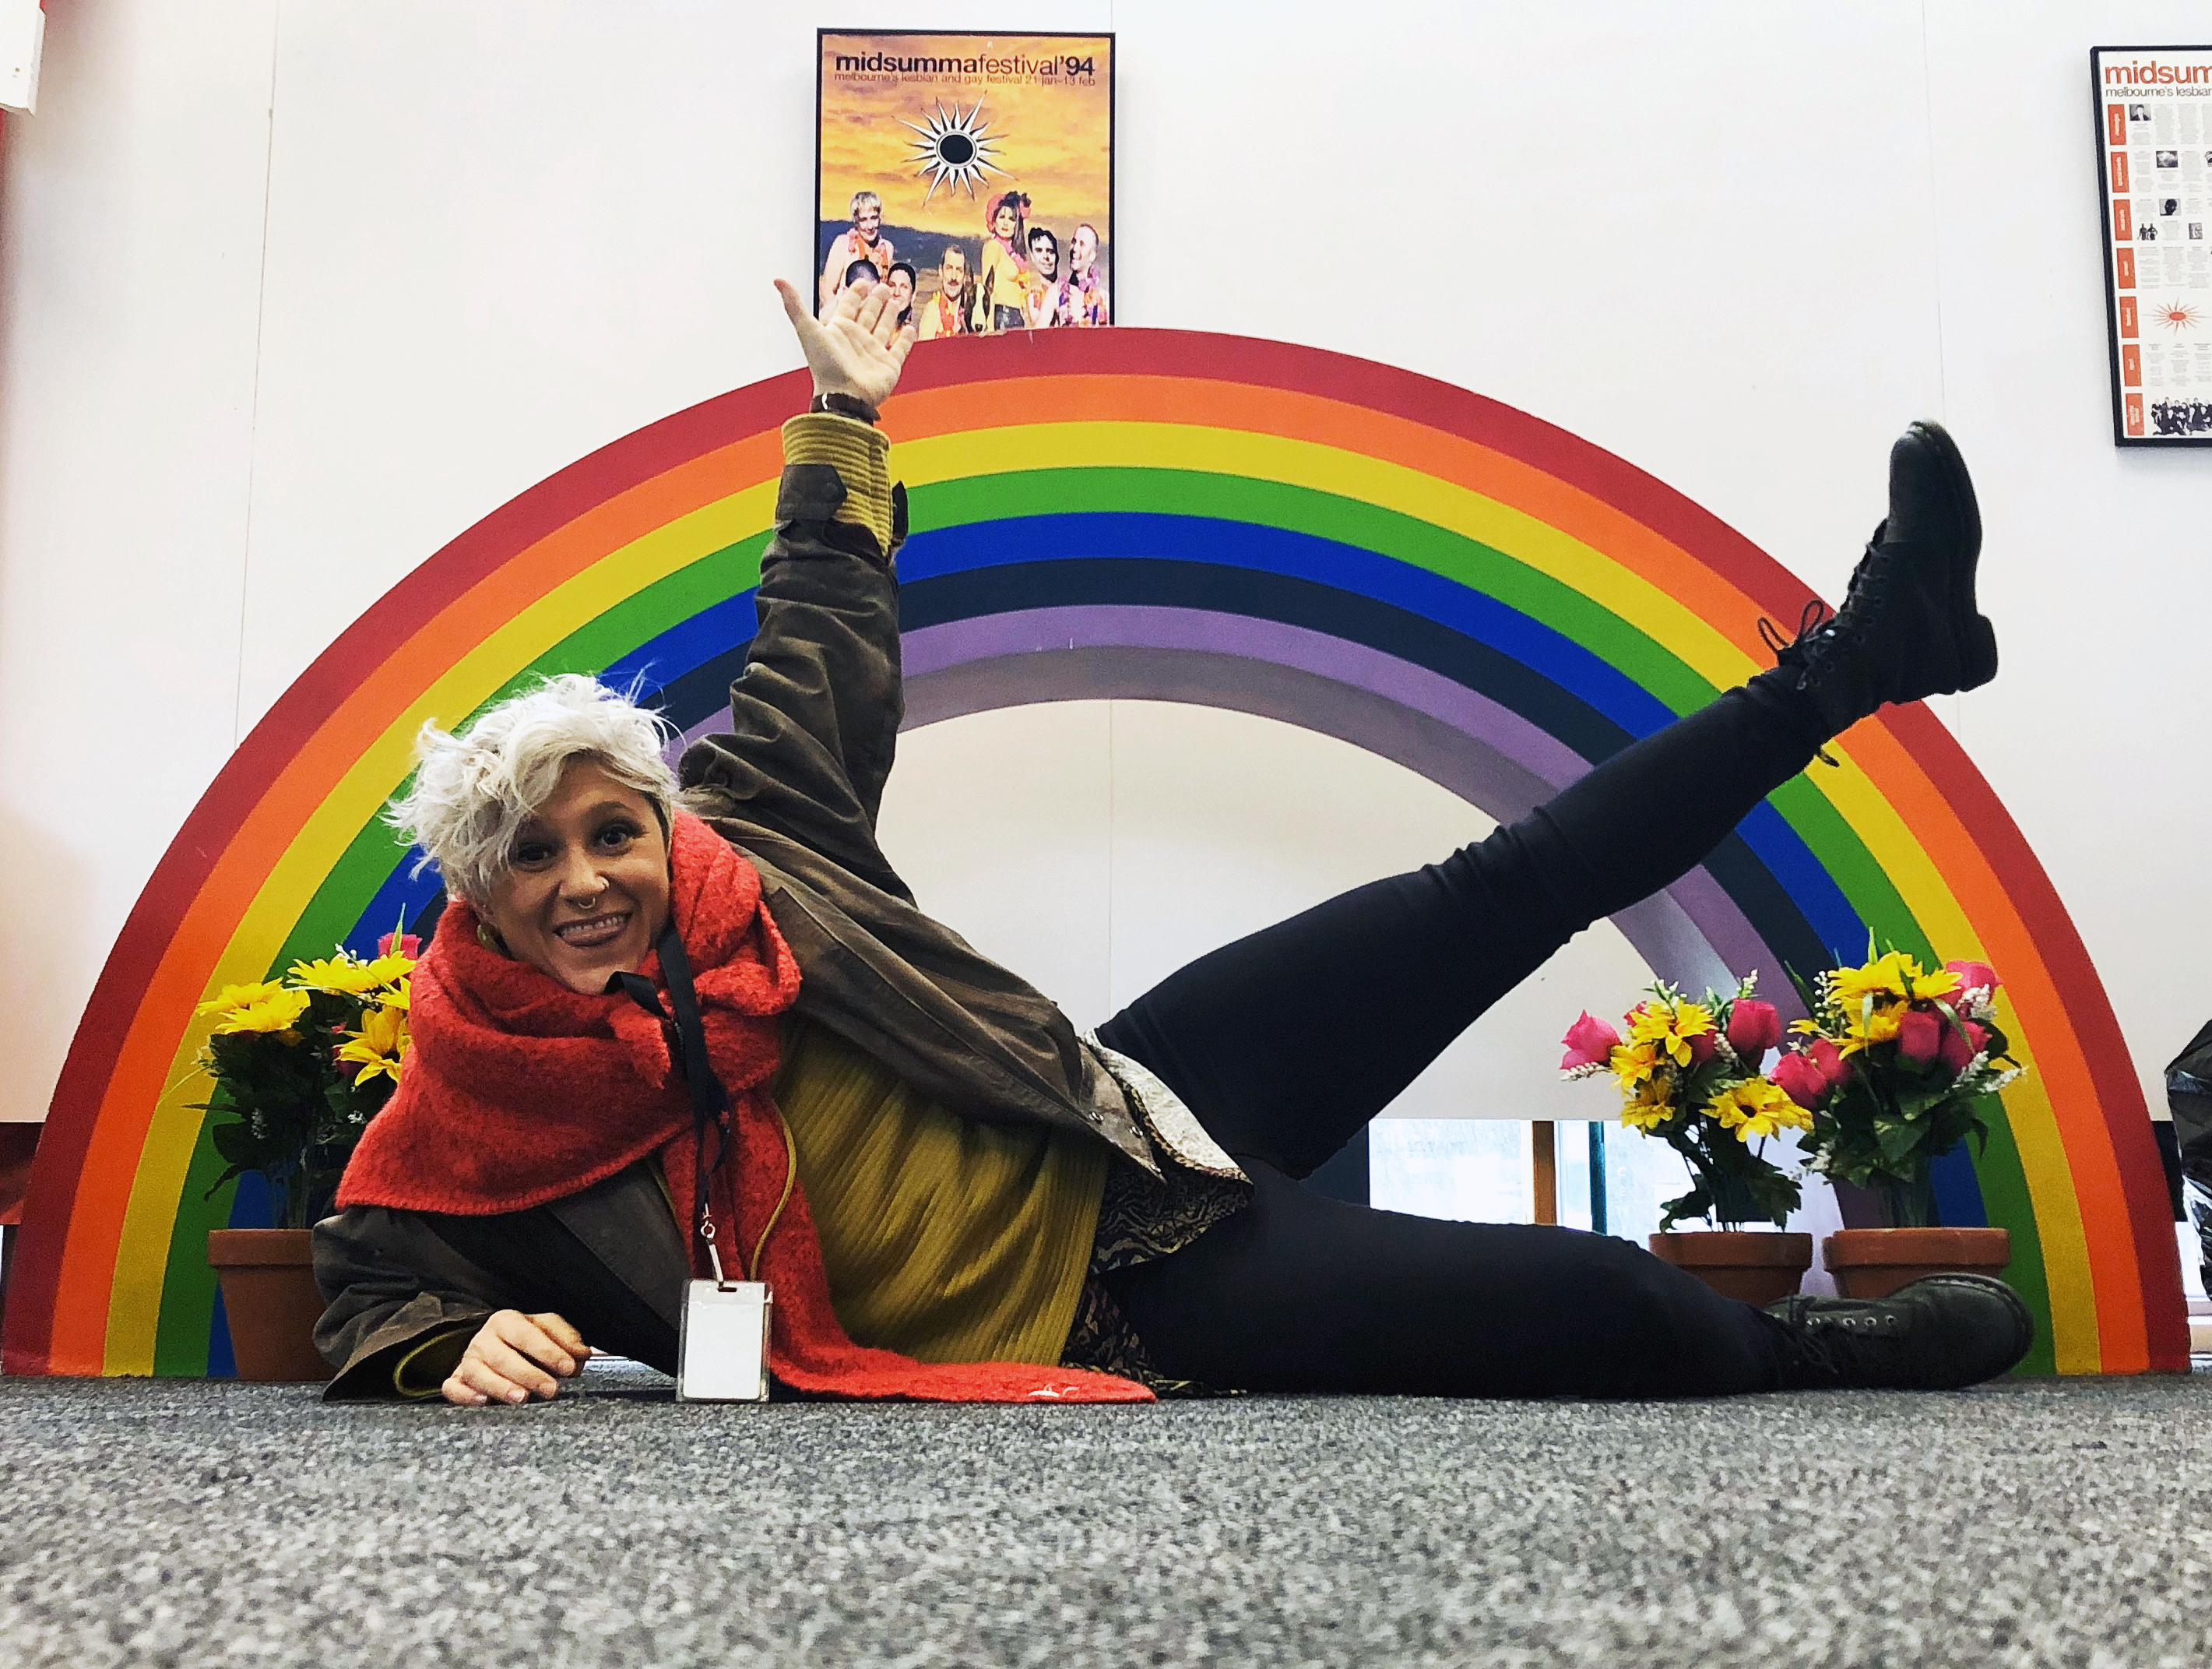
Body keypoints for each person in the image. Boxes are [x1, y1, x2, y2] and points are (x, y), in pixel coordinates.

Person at [312, 279, 2034, 1407]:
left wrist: (841, 416)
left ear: (660, 818)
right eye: (534, 860)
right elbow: (370, 1267)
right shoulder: (465, 1102)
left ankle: (1858, 664)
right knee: (1597, 1303)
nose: (590, 876)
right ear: (481, 894)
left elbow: (817, 623)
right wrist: (445, 1344)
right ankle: (1823, 1352)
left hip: (1109, 1100)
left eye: (612, 828)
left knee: (1497, 888)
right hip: (1095, 1296)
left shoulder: (751, 845)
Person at [818, 190, 895, 313]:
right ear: (856, 221)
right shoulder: (843, 244)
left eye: (874, 218)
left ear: (879, 218)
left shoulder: (887, 248)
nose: (870, 226)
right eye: (863, 220)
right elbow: (826, 291)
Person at [970, 192, 1029, 334]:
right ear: (994, 220)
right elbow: (987, 290)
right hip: (1002, 317)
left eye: (1011, 219)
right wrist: (990, 328)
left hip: (1017, 318)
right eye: (1001, 217)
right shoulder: (993, 246)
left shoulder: (1014, 254)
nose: (1005, 223)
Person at [1053, 223, 1110, 327]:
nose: (1075, 248)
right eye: (1074, 242)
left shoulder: (1104, 299)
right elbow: (1038, 337)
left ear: (1092, 256)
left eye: (1082, 244)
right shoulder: (1056, 293)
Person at [916, 246, 969, 340]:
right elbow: (924, 352)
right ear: (941, 272)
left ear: (965, 276)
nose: (954, 277)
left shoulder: (971, 309)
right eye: (949, 269)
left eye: (959, 270)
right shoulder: (932, 310)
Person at [1022, 228, 1061, 329]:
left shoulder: (1065, 288)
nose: (1046, 257)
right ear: (1032, 256)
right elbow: (1039, 330)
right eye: (1039, 251)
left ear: (1057, 256)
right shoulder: (1034, 293)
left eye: (1051, 251)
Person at [883, 262, 917, 335]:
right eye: (892, 285)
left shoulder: (917, 333)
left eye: (904, 287)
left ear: (913, 295)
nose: (897, 293)